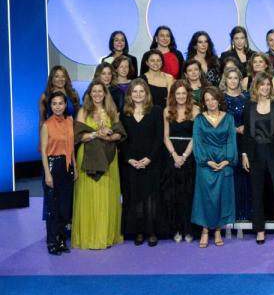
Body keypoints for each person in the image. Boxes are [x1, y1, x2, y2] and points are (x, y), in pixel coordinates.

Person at [72, 81, 126, 249]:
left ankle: (105, 236)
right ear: (89, 94)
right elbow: (79, 137)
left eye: (100, 91)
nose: (97, 94)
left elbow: (120, 134)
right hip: (88, 158)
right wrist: (96, 133)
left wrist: (108, 136)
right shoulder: (83, 111)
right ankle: (91, 237)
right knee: (89, 196)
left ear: (105, 93)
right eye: (93, 91)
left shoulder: (111, 111)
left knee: (107, 197)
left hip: (109, 159)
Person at [240, 73, 274, 244]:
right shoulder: (249, 105)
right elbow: (247, 132)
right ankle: (259, 229)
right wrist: (245, 154)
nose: (265, 87)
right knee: (257, 192)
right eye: (262, 84)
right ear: (256, 86)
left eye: (268, 84)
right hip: (255, 153)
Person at [119, 79, 164, 247]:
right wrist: (129, 159)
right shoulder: (124, 113)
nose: (138, 95)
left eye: (141, 91)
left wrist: (149, 158)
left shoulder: (156, 111)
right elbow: (122, 139)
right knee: (134, 196)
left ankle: (151, 231)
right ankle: (138, 231)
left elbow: (159, 137)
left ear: (147, 94)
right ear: (130, 95)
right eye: (135, 92)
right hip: (131, 162)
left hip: (151, 161)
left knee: (151, 197)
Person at [192, 87, 237, 248]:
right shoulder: (199, 119)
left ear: (219, 99)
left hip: (224, 163)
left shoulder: (229, 118)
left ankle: (218, 230)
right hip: (206, 164)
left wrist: (228, 160)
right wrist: (206, 161)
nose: (211, 102)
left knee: (221, 198)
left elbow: (231, 140)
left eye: (213, 99)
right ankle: (205, 231)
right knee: (206, 198)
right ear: (204, 103)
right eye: (207, 100)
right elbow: (198, 142)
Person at [162, 80, 198, 242]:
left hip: (189, 156)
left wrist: (184, 156)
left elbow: (196, 137)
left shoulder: (196, 111)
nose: (181, 96)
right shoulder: (167, 111)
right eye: (178, 94)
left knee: (188, 194)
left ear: (188, 94)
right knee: (173, 195)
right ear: (173, 95)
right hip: (171, 155)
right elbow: (165, 137)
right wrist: (174, 155)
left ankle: (188, 229)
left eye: (184, 93)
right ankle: (176, 229)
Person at [40, 92, 75, 255]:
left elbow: (71, 147)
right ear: (50, 106)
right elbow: (44, 152)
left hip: (67, 166)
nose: (58, 106)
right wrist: (47, 174)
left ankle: (62, 241)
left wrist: (74, 167)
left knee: (65, 207)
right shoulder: (46, 125)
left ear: (65, 105)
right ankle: (52, 242)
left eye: (61, 103)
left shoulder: (70, 121)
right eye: (54, 103)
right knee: (52, 207)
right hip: (53, 166)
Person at [220, 68, 252, 222]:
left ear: (240, 80)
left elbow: (253, 117)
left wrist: (246, 127)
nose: (233, 81)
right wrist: (234, 129)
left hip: (246, 142)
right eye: (229, 78)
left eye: (235, 78)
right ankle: (230, 214)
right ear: (225, 80)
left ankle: (245, 213)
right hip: (227, 142)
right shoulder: (220, 99)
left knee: (246, 176)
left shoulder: (247, 97)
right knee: (230, 177)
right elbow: (216, 121)